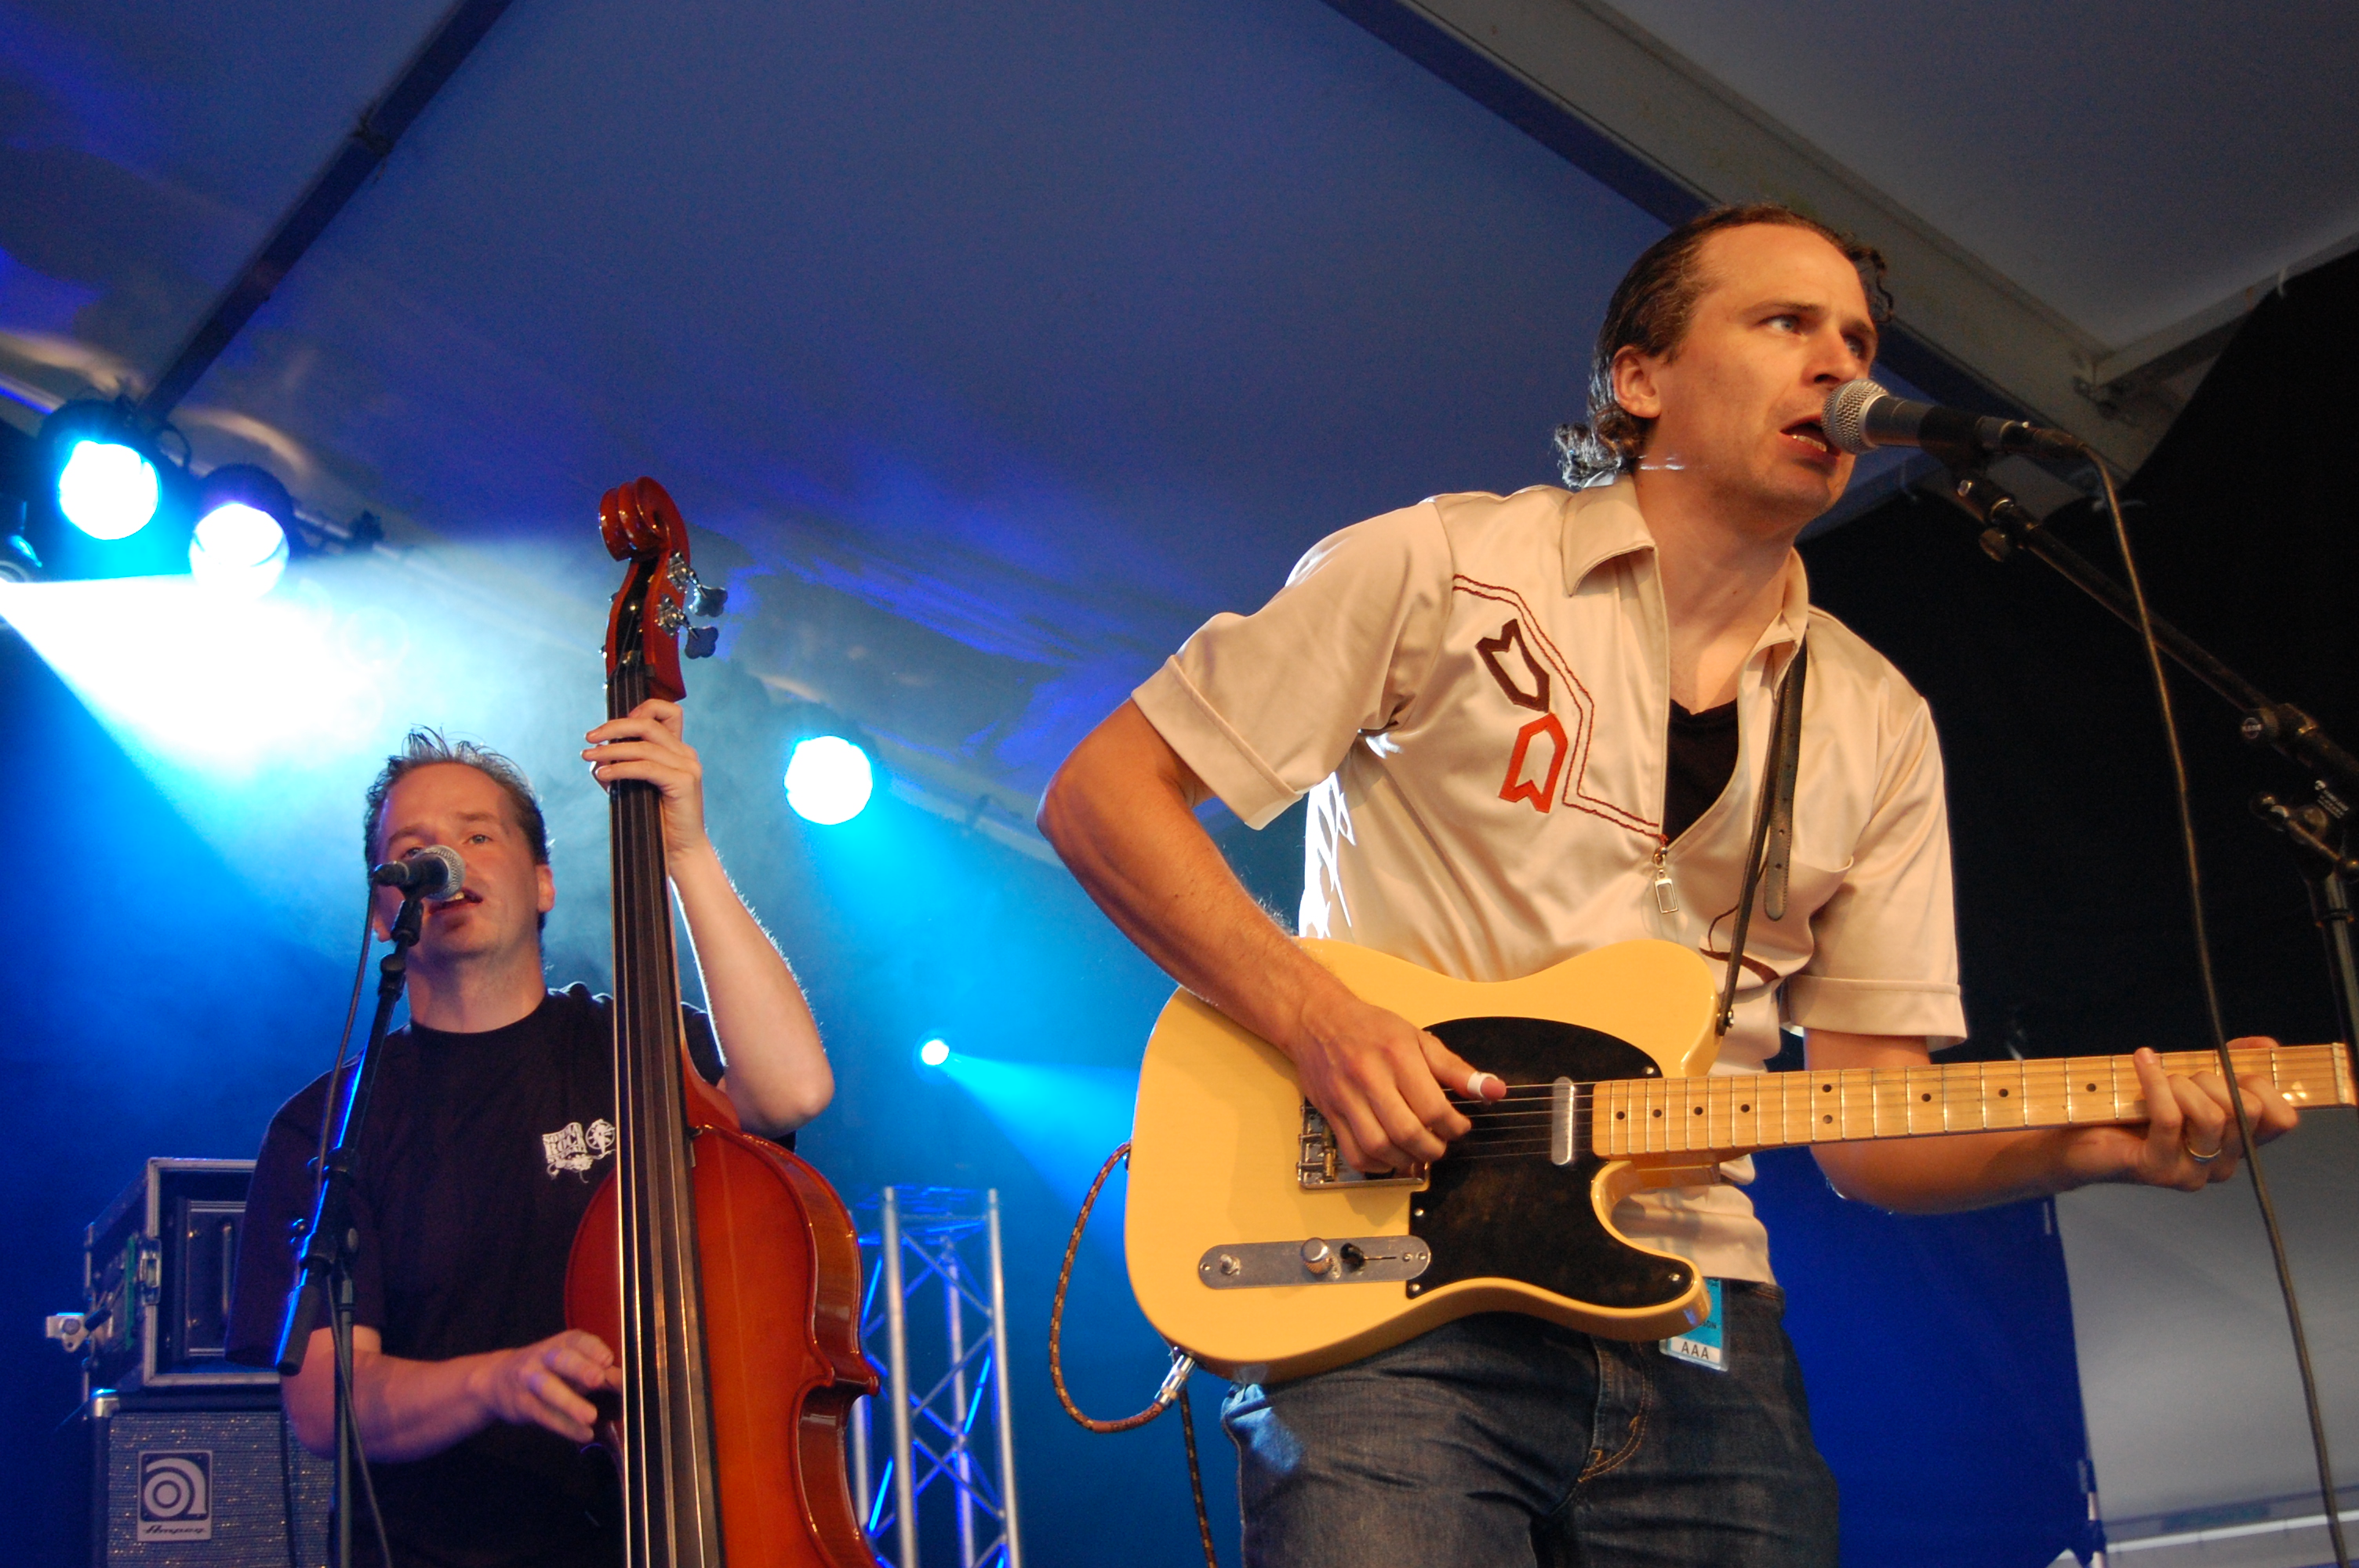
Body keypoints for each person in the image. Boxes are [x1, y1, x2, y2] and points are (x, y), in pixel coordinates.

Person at [1036, 204, 2301, 1566]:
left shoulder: (1874, 719)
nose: (1840, 363)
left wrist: (2093, 1143)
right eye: (1785, 323)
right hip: (1384, 1289)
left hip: (1701, 1322)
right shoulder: (1436, 567)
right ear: (1639, 380)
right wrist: (1320, 1022)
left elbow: (1871, 1128)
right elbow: (1103, 795)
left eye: (1858, 338)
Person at [227, 702, 833, 1567]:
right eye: (415, 847)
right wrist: (497, 1380)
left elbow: (791, 1090)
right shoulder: (327, 1125)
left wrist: (686, 853)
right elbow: (325, 1404)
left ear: (543, 882)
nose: (446, 861)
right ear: (383, 910)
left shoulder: (641, 1049)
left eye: (479, 836)